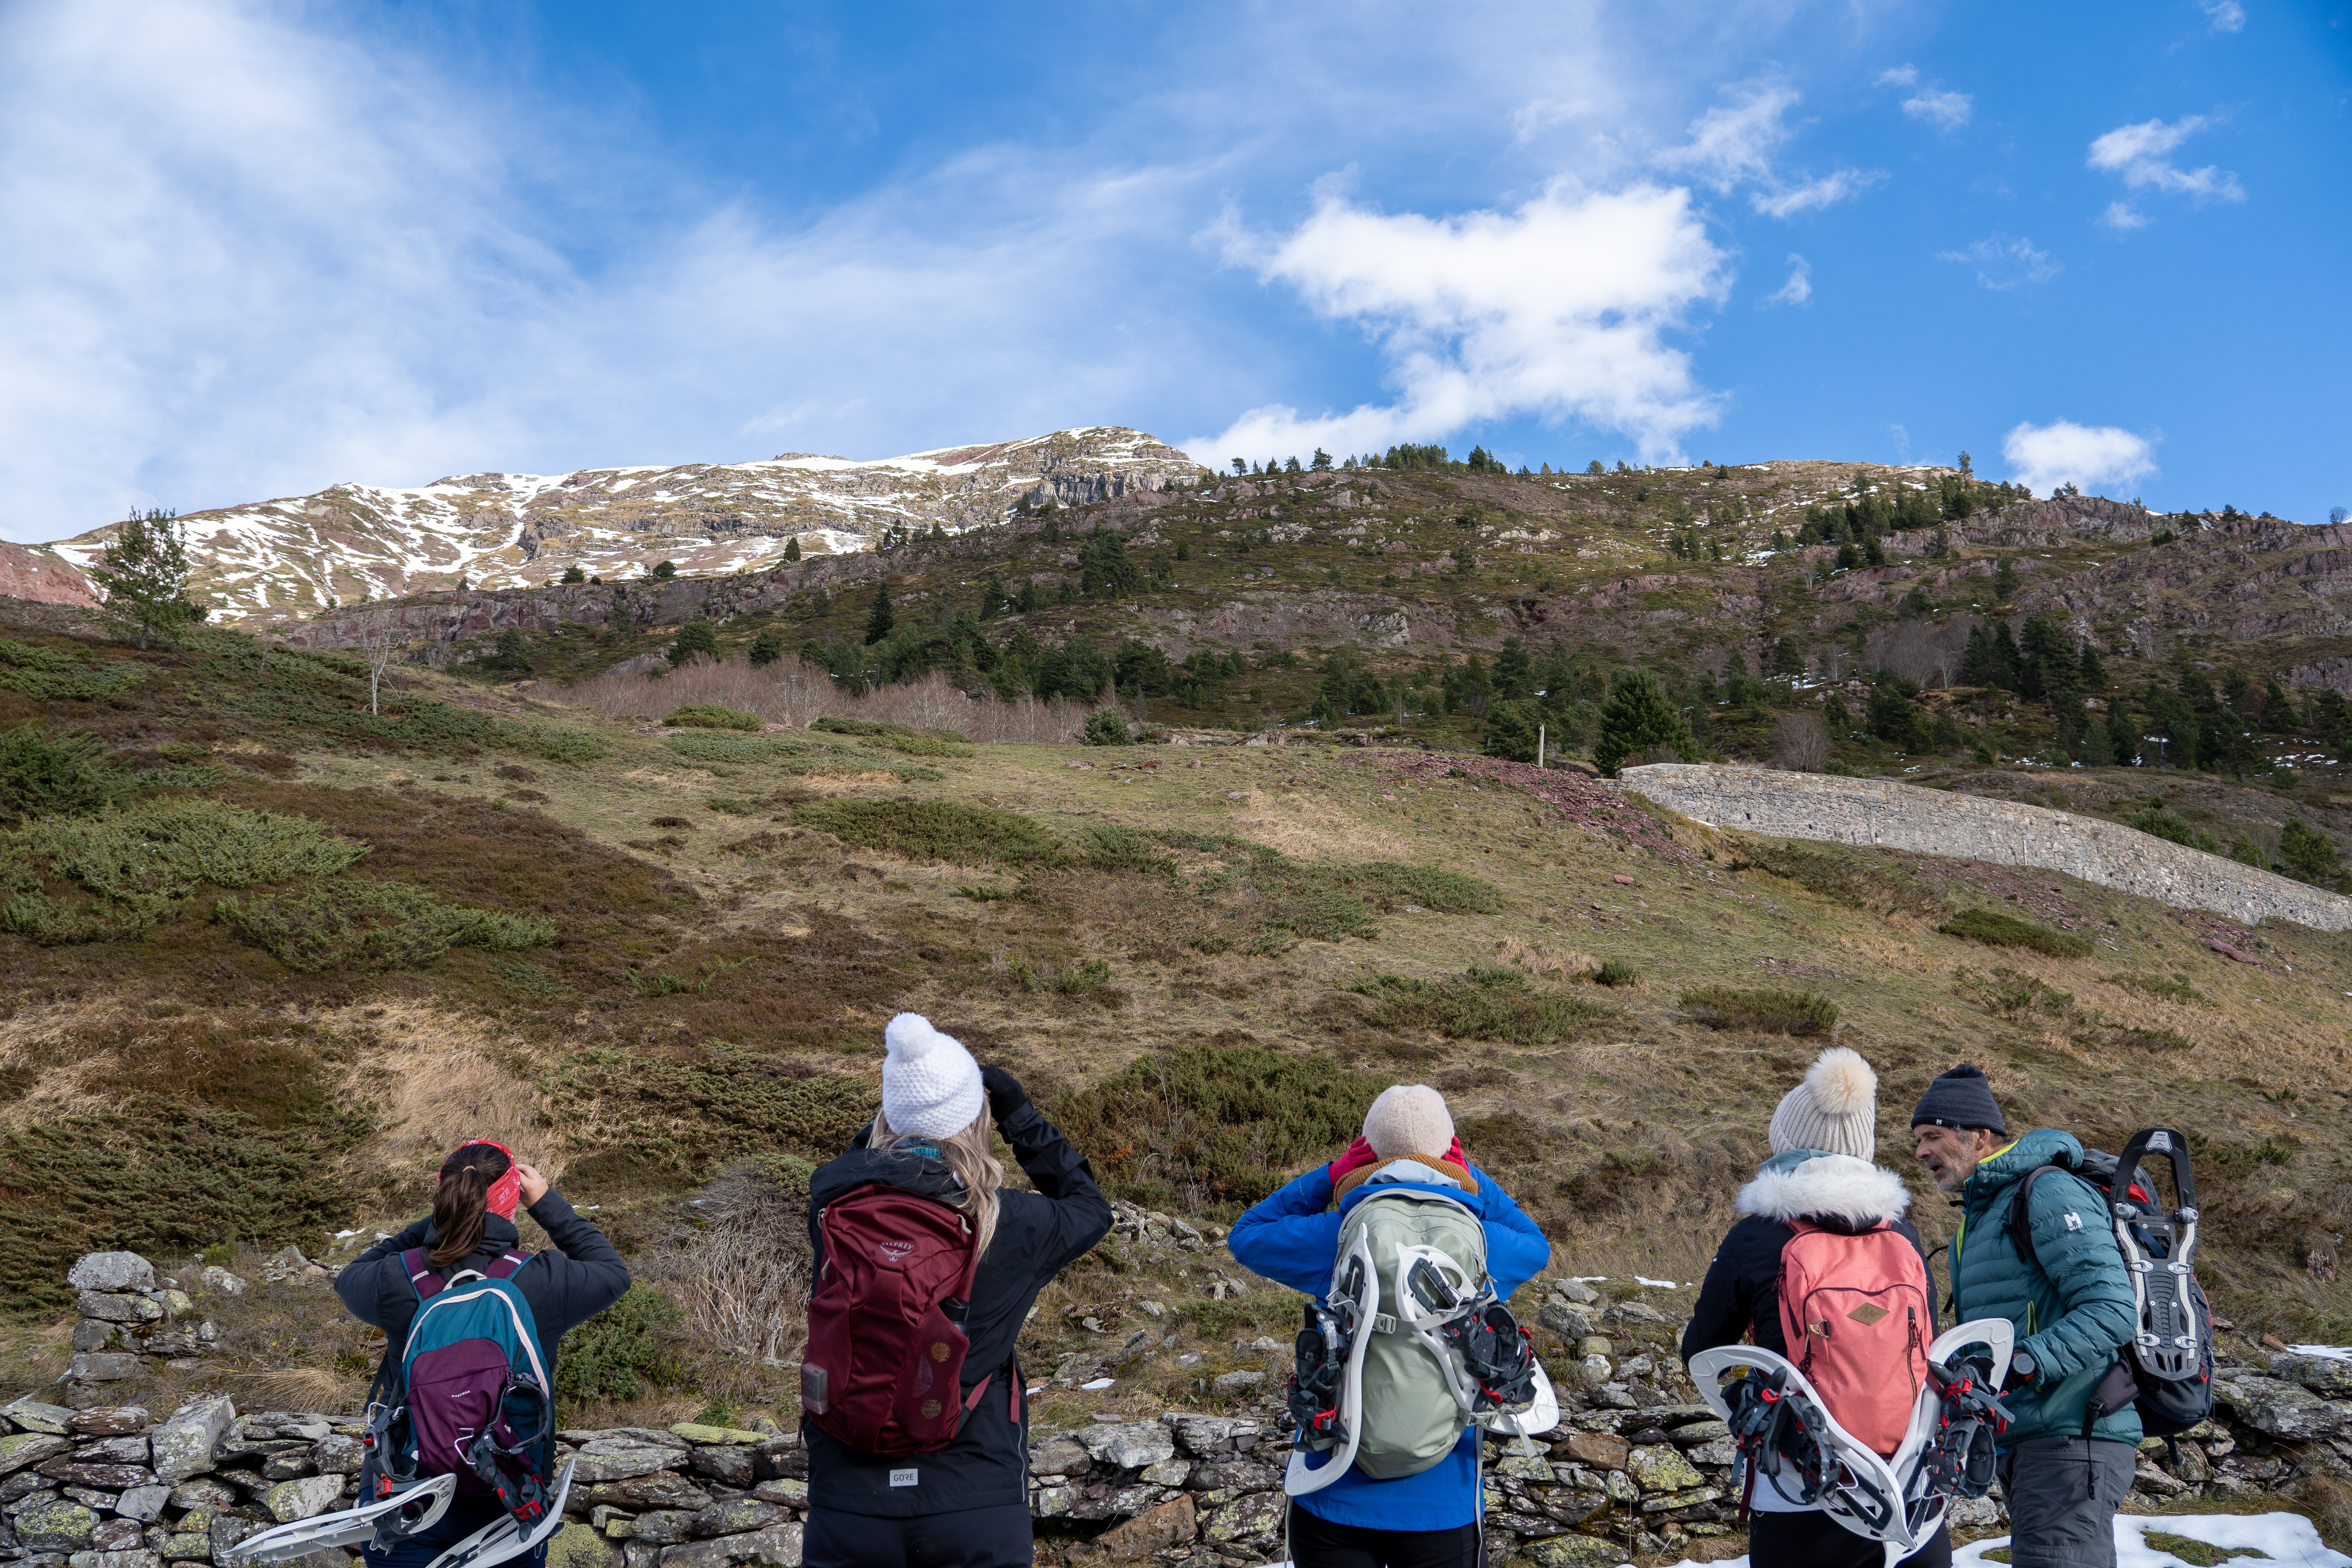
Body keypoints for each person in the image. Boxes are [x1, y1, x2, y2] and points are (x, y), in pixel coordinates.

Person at [802, 1013, 1111, 1568]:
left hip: (849, 1501)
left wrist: (897, 1111)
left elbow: (849, 1167)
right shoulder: (1013, 1222)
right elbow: (1089, 1207)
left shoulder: (830, 1206)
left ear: (889, 1113)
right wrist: (1019, 1114)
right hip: (976, 1497)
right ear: (974, 1116)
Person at [1228, 1083, 1550, 1568]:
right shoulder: (1482, 1239)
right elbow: (1535, 1243)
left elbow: (1247, 1235)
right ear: (1449, 1149)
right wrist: (1466, 1175)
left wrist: (1332, 1175)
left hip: (1330, 1489)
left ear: (1368, 1150)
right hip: (1443, 1508)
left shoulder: (1337, 1232)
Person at [1681, 1047, 1951, 1568]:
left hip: (1799, 1478)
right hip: (1909, 1488)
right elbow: (1927, 1345)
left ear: (1787, 1142)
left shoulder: (1758, 1236)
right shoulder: (1903, 1234)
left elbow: (1703, 1350)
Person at [336, 1140, 632, 1568]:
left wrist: (439, 1221)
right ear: (512, 1200)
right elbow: (613, 1273)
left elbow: (348, 1278)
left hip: (402, 1494)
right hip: (507, 1500)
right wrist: (547, 1203)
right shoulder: (542, 1279)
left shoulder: (395, 1277)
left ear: (444, 1197)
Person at [1911, 1063, 2140, 1568]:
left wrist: (2021, 1363)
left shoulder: (2048, 1193)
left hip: (2074, 1434)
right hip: (2033, 1438)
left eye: (1933, 1135)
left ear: (1981, 1137)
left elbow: (2113, 1309)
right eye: (1917, 1140)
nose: (1921, 1151)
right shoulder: (1980, 1216)